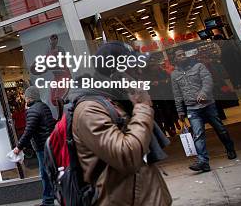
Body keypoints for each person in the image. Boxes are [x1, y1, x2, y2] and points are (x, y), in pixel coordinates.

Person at [71, 42, 171, 205]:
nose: (139, 72)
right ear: (115, 74)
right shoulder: (89, 110)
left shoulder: (117, 99)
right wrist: (142, 108)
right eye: (132, 68)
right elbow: (127, 157)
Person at [171, 48, 236, 173]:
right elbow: (177, 94)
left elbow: (208, 81)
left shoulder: (198, 66)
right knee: (198, 134)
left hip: (208, 105)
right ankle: (203, 162)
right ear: (175, 59)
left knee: (220, 129)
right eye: (179, 55)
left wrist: (203, 93)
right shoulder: (174, 75)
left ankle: (230, 148)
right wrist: (180, 111)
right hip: (192, 108)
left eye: (183, 54)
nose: (182, 56)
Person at [13, 86, 56, 206]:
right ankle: (52, 198)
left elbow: (29, 131)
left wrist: (19, 147)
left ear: (29, 98)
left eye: (26, 97)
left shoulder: (33, 110)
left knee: (45, 174)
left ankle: (48, 201)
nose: (25, 99)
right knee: (50, 172)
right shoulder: (43, 107)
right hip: (49, 144)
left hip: (42, 147)